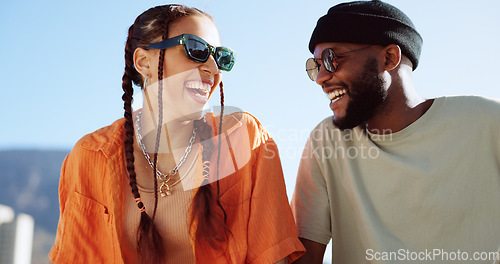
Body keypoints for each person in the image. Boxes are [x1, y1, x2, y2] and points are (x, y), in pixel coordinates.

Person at [49, 4, 304, 264]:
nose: (213, 69)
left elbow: (273, 256)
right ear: (143, 61)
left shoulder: (244, 139)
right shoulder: (90, 156)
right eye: (196, 50)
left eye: (221, 57)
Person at [291, 0, 500, 263]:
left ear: (389, 57)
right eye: (316, 65)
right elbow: (303, 256)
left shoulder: (488, 123)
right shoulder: (327, 141)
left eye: (332, 59)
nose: (321, 77)